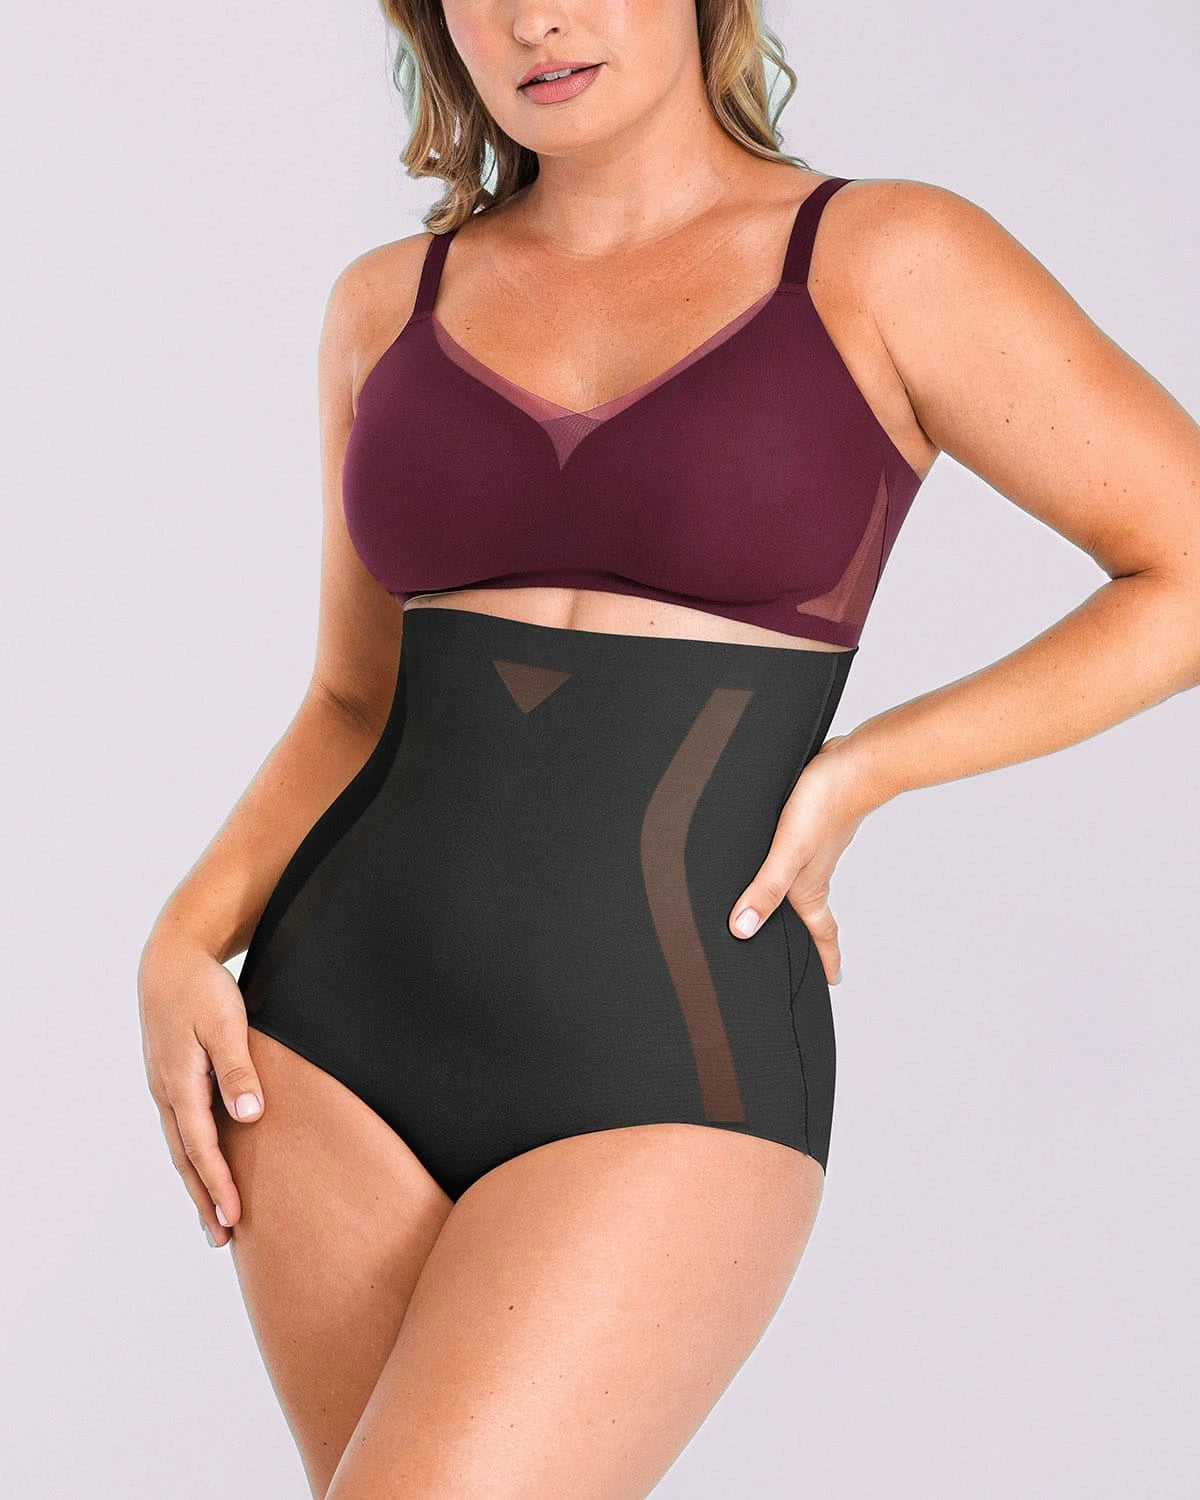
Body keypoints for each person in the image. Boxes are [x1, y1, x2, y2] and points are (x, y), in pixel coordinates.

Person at [137, 2, 1200, 1496]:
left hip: (673, 1055)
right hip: (323, 1055)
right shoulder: (386, 307)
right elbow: (352, 704)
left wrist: (868, 768)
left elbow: (1184, 566)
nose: (537, 18)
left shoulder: (881, 261)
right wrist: (182, 937)